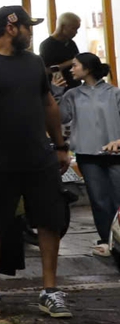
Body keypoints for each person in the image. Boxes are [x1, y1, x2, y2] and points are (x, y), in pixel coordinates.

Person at [0, 4, 72, 319]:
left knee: (50, 221)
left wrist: (60, 145)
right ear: (11, 27)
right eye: (28, 27)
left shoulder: (34, 63)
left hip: (39, 157)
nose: (31, 34)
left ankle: (49, 290)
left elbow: (48, 104)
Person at [60, 51, 120, 257]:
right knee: (99, 200)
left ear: (88, 68)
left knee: (118, 198)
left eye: (75, 65)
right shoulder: (71, 94)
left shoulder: (114, 93)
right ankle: (106, 241)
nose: (71, 69)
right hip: (87, 154)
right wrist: (55, 92)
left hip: (116, 154)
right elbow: (60, 118)